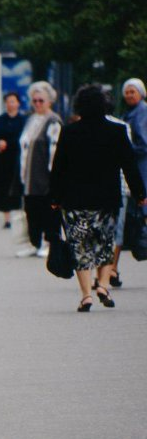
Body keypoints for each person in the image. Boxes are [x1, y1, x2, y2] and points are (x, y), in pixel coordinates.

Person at [49, 84, 146, 311]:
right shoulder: (117, 131)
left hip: (75, 200)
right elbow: (130, 166)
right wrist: (140, 193)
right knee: (105, 242)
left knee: (80, 244)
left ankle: (86, 295)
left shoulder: (70, 131)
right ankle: (103, 285)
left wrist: (54, 197)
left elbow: (58, 168)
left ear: (79, 106)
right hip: (107, 198)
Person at [16, 81, 62, 258]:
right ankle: (34, 242)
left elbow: (55, 149)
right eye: (34, 100)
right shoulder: (31, 119)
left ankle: (49, 241)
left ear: (49, 101)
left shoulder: (53, 121)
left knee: (47, 208)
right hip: (28, 174)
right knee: (31, 208)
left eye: (41, 100)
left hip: (44, 174)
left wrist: (53, 175)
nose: (37, 104)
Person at [113, 77, 147, 284]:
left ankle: (113, 269)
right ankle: (113, 269)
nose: (129, 95)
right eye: (127, 92)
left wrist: (123, 151)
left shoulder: (141, 112)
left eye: (133, 91)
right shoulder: (132, 112)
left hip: (141, 168)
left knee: (138, 214)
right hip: (136, 167)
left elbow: (143, 143)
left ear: (141, 93)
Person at [0, 92, 26, 228]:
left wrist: (9, 144)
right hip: (1, 160)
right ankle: (7, 218)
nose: (10, 104)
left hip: (18, 159)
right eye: (8, 101)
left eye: (13, 101)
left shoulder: (24, 121)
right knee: (3, 188)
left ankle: (20, 214)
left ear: (18, 103)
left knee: (18, 186)